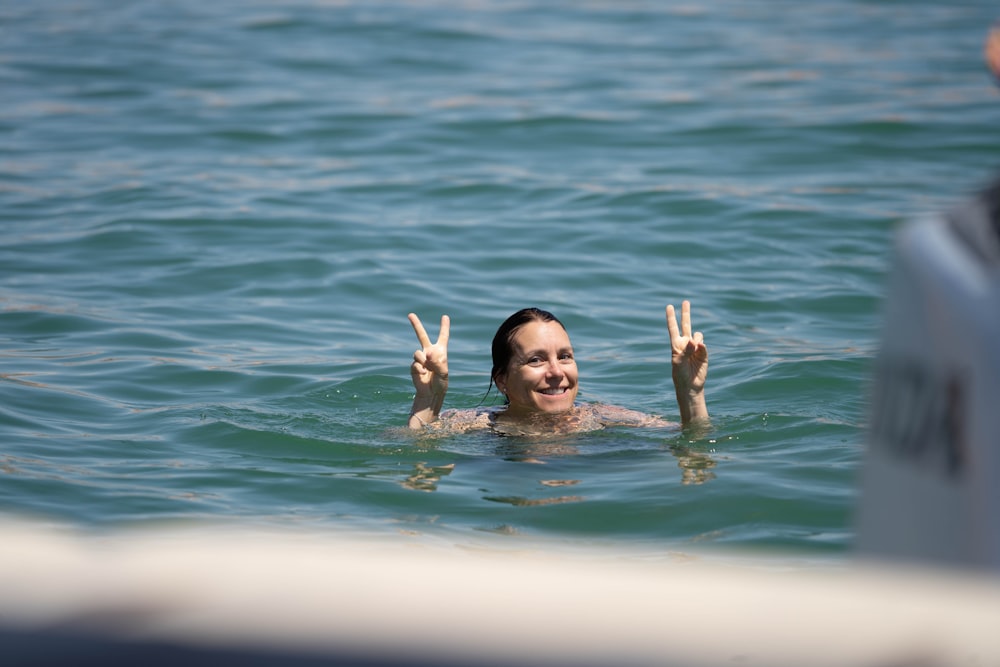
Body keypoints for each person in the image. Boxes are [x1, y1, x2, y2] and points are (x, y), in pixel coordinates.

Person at [405, 302, 709, 436]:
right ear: (502, 380)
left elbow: (691, 442)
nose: (555, 372)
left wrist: (691, 393)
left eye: (564, 356)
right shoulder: (477, 425)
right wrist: (429, 401)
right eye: (536, 360)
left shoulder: (603, 418)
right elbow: (411, 450)